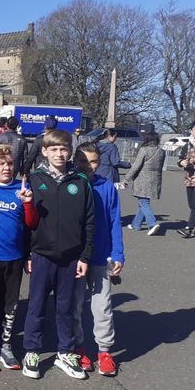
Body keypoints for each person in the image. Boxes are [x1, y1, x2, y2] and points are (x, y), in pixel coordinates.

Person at [22, 128, 95, 380]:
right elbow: (27, 223)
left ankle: (66, 352)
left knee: (65, 309)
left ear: (70, 150)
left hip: (70, 258)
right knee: (36, 306)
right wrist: (27, 255)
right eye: (53, 149)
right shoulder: (35, 179)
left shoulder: (81, 182)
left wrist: (84, 257)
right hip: (41, 255)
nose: (59, 153)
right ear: (44, 151)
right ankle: (32, 350)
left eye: (63, 148)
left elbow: (89, 222)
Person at [0, 143, 38, 371]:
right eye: (0, 164)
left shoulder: (21, 188)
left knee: (10, 306)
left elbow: (32, 224)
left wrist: (27, 204)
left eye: (9, 163)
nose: (6, 168)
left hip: (14, 259)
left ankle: (4, 346)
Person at [71, 143, 125, 377]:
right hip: (75, 255)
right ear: (75, 161)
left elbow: (115, 221)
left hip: (102, 255)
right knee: (74, 305)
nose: (89, 166)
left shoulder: (106, 188)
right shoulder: (71, 184)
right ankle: (78, 348)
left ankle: (104, 351)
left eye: (93, 162)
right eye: (84, 161)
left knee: (102, 306)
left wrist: (119, 253)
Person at [123, 132, 164, 236]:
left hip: (143, 178)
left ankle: (152, 223)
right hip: (155, 179)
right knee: (144, 201)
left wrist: (127, 178)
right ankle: (136, 224)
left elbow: (136, 165)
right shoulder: (162, 151)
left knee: (143, 202)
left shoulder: (144, 150)